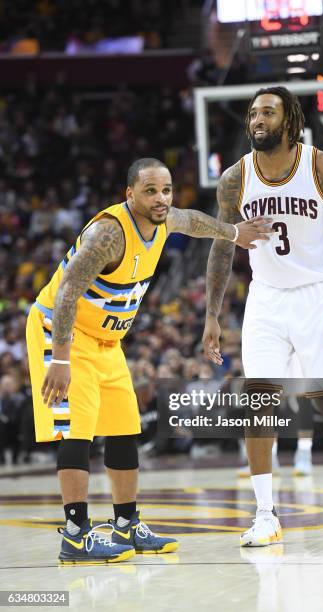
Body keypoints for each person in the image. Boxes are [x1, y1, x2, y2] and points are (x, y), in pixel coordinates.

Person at [26, 157, 271, 564]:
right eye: (151, 191)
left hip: (107, 341)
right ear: (130, 194)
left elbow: (193, 221)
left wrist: (232, 232)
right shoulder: (109, 233)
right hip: (64, 332)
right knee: (77, 431)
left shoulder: (164, 220)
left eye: (167, 190)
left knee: (125, 428)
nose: (161, 199)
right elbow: (67, 292)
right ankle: (75, 535)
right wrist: (61, 359)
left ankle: (126, 524)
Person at [203, 87, 323, 546]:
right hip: (266, 297)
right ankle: (265, 514)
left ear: (289, 120)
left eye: (268, 112)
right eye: (253, 113)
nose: (257, 119)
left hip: (319, 294)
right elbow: (222, 246)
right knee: (258, 404)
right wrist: (212, 315)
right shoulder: (234, 179)